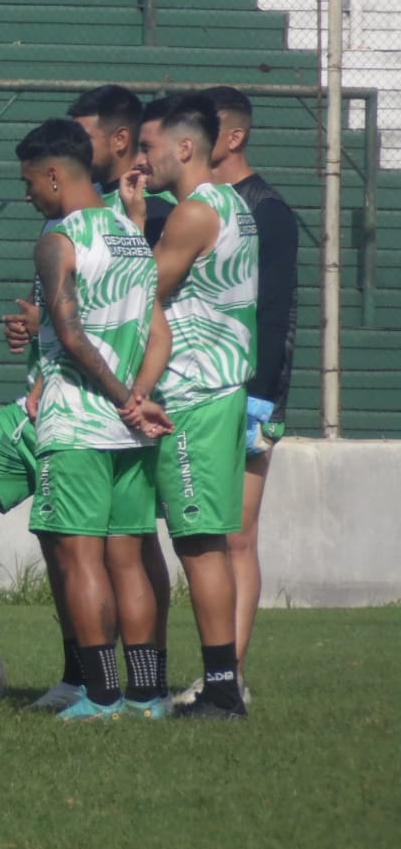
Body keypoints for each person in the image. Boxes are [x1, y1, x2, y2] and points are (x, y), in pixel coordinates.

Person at [11, 84, 178, 711]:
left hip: (81, 424)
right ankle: (146, 694)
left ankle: (101, 696)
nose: (27, 194)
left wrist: (117, 397)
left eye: (30, 182)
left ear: (55, 175)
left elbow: (75, 339)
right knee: (129, 560)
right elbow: (157, 331)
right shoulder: (134, 238)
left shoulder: (59, 241)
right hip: (130, 432)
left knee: (80, 558)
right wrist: (140, 398)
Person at [122, 92, 258, 720]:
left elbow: (136, 294)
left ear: (184, 148)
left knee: (199, 543)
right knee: (206, 540)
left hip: (195, 395)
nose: (140, 158)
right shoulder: (231, 203)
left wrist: (128, 220)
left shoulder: (194, 214)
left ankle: (223, 688)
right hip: (220, 390)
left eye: (148, 147)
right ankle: (219, 680)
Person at [169, 85, 297, 705]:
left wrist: (261, 398)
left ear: (232, 136)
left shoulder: (263, 209)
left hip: (246, 389)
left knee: (235, 536)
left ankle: (230, 676)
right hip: (204, 388)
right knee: (211, 532)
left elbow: (271, 313)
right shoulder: (194, 204)